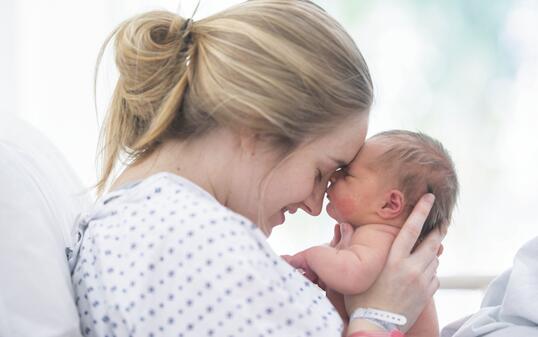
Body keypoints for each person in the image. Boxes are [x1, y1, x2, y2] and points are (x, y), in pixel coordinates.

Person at [68, 1, 444, 336]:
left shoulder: (155, 223)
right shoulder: (194, 244)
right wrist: (380, 316)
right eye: (321, 173)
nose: (316, 206)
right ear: (258, 127)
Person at [283, 130, 459, 337]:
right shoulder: (375, 239)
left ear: (389, 204)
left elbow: (352, 276)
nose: (333, 176)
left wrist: (309, 257)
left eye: (347, 173)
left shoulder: (381, 237)